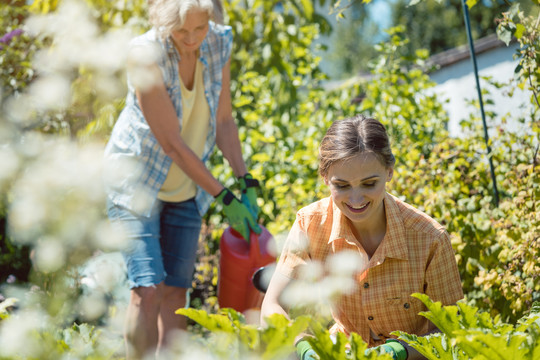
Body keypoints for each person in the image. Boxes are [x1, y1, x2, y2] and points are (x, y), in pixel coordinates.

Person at [103, 0, 261, 358]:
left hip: (186, 187)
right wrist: (223, 197)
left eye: (199, 28)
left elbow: (223, 120)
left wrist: (244, 180)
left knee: (176, 291)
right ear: (163, 24)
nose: (191, 40)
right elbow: (172, 144)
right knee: (148, 287)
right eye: (180, 31)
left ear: (210, 20)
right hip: (135, 184)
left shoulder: (219, 41)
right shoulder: (146, 55)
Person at [260, 115, 463, 360]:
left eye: (369, 183)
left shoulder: (429, 239)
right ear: (325, 178)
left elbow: (451, 330)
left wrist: (398, 351)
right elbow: (272, 307)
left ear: (389, 171)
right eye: (342, 186)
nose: (356, 199)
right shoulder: (310, 223)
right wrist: (304, 347)